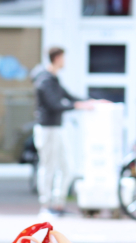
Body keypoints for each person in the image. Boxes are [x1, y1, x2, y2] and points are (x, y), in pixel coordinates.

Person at [32, 47, 93, 216]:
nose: (65, 62)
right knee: (48, 166)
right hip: (47, 129)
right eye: (63, 58)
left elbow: (69, 96)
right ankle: (46, 204)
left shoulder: (54, 79)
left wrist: (90, 101)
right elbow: (54, 104)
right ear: (57, 58)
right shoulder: (44, 80)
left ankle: (58, 203)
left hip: (58, 128)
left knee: (67, 166)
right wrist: (78, 106)